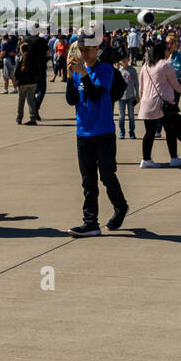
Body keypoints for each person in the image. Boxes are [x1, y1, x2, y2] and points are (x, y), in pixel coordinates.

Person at [64, 31, 129, 237]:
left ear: (97, 50)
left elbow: (95, 95)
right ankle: (90, 222)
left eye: (87, 50)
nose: (83, 53)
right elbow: (72, 98)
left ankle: (120, 206)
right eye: (80, 50)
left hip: (103, 132)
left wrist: (83, 73)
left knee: (107, 176)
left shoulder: (105, 71)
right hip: (83, 132)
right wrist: (69, 76)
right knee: (88, 179)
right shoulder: (79, 73)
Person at [137, 37, 181, 168]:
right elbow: (177, 87)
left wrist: (143, 100)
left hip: (147, 103)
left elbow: (141, 88)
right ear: (162, 51)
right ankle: (174, 158)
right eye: (167, 49)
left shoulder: (145, 65)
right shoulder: (166, 64)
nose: (169, 51)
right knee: (170, 131)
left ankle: (146, 159)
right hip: (163, 104)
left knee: (149, 132)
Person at [116, 53, 139, 139]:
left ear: (128, 59)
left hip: (131, 97)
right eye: (122, 59)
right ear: (120, 61)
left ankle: (132, 132)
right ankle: (122, 132)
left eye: (126, 59)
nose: (124, 61)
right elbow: (116, 85)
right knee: (121, 116)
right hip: (121, 98)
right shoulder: (119, 71)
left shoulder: (133, 70)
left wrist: (137, 95)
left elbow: (136, 84)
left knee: (131, 116)